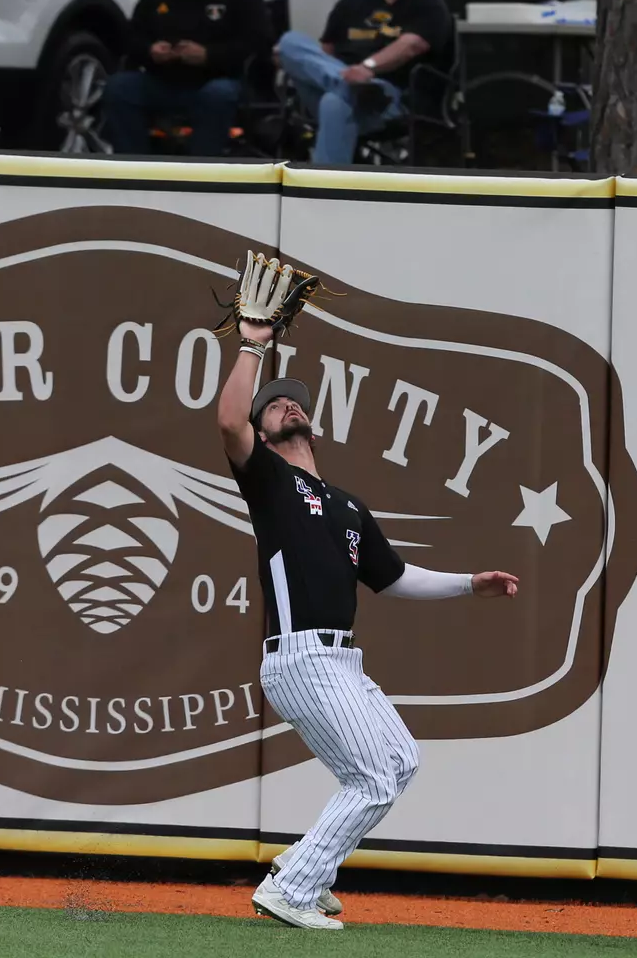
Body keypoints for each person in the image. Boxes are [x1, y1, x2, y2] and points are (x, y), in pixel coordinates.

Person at [216, 258, 518, 931]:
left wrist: (470, 583)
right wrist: (251, 346)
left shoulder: (347, 506)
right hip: (299, 658)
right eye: (273, 405)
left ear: (312, 425)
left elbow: (393, 579)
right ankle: (291, 888)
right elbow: (230, 419)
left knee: (400, 762)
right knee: (373, 778)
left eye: (292, 399)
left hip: (340, 661)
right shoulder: (266, 479)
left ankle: (307, 869)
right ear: (266, 434)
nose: (283, 403)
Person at [274, 0, 453, 165]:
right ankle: (346, 86)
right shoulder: (351, 4)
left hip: (387, 99)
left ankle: (325, 191)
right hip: (344, 87)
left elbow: (410, 46)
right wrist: (340, 76)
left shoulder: (429, 5)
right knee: (290, 42)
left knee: (335, 102)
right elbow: (324, 54)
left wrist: (368, 68)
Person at [102, 0, 270, 157]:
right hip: (163, 80)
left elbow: (258, 40)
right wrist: (151, 50)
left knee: (218, 95)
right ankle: (134, 169)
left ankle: (197, 173)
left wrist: (208, 56)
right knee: (119, 88)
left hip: (219, 80)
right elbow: (132, 34)